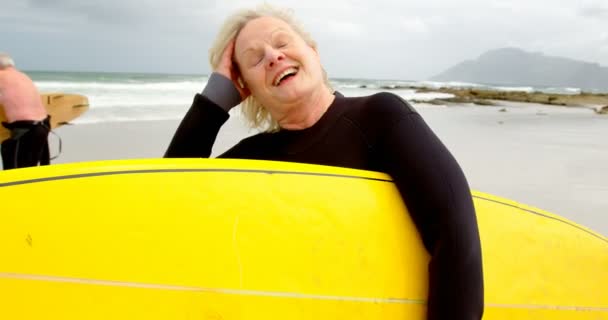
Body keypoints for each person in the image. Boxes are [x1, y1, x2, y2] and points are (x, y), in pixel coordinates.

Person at [165, 4, 484, 319]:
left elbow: (454, 237)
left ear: (313, 52)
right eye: (255, 59)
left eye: (281, 42)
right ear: (245, 89)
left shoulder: (379, 117)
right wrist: (213, 102)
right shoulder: (254, 158)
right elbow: (168, 200)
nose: (274, 57)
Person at [0, 53, 51, 170]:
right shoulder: (23, 76)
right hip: (43, 127)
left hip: (25, 131)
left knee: (15, 175)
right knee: (30, 172)